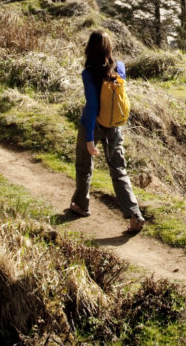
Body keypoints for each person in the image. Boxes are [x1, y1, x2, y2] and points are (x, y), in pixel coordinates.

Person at [69, 29, 145, 234]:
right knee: (119, 170)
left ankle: (81, 205)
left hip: (92, 125)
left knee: (84, 166)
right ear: (109, 48)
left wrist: (90, 138)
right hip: (115, 125)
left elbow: (92, 105)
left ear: (89, 49)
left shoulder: (88, 73)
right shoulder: (119, 67)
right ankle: (134, 214)